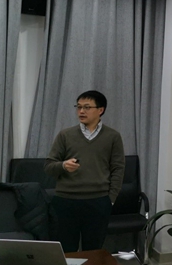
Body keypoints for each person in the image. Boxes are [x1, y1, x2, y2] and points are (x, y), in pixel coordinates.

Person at [45, 90, 125, 252]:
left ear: (100, 110)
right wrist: (63, 166)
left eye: (87, 107)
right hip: (66, 201)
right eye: (79, 107)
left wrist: (110, 199)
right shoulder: (65, 135)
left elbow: (118, 168)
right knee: (67, 251)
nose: (81, 111)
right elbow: (48, 166)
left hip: (98, 201)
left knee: (93, 251)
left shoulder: (113, 136)